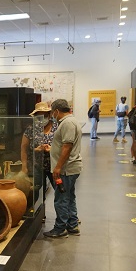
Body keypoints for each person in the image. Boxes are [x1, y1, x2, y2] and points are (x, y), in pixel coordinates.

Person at [43, 99, 82, 238]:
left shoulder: (67, 123)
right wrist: (52, 149)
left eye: (53, 113)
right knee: (69, 197)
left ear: (57, 111)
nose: (52, 116)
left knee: (61, 199)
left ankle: (60, 228)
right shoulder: (70, 121)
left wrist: (58, 167)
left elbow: (67, 146)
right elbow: (63, 146)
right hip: (69, 168)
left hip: (66, 169)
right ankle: (72, 225)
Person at [21, 102, 58, 203]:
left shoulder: (57, 127)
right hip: (37, 166)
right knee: (36, 192)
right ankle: (39, 215)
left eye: (45, 115)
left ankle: (63, 216)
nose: (43, 118)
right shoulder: (31, 128)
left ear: (49, 115)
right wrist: (24, 166)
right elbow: (24, 148)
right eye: (39, 116)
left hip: (54, 166)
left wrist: (52, 149)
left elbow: (64, 146)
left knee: (59, 191)